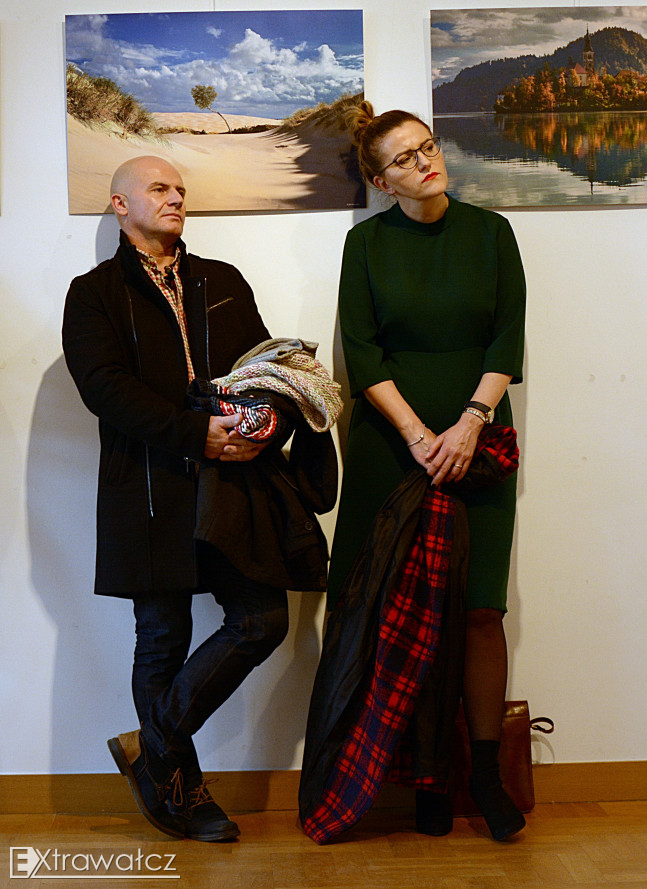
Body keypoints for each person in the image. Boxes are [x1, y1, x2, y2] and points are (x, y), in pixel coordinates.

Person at [63, 156, 294, 842]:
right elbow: (104, 388)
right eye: (159, 189)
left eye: (181, 190)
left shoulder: (221, 280)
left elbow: (266, 369)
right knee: (162, 637)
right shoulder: (93, 293)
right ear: (119, 204)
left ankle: (152, 743)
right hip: (148, 486)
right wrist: (198, 434)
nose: (175, 198)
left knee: (263, 618)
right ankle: (181, 792)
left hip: (232, 484)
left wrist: (264, 426)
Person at [324, 102, 527, 840]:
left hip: (479, 441)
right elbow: (362, 351)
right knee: (393, 611)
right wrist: (417, 434)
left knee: (479, 610)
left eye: (428, 147)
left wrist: (470, 422)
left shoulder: (492, 233)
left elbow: (507, 336)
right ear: (381, 182)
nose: (425, 162)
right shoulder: (366, 245)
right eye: (404, 159)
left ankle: (483, 774)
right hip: (391, 445)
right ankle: (422, 777)